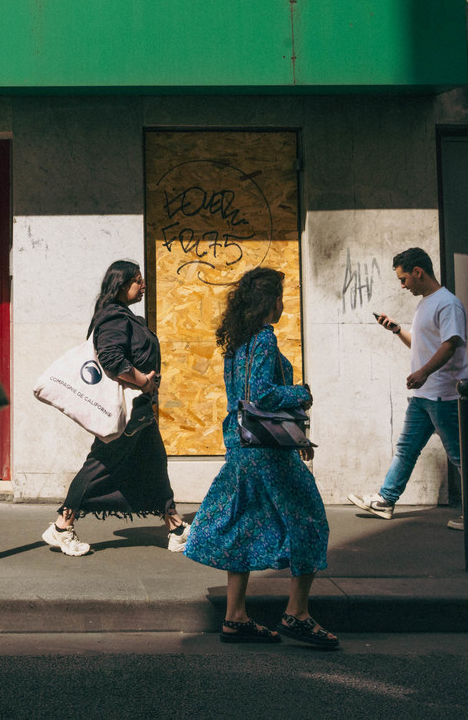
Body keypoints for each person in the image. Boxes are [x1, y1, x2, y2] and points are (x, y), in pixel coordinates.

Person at [185, 267, 338, 649]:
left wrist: (294, 435)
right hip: (268, 456)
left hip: (243, 449)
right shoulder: (265, 339)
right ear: (271, 302)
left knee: (243, 526)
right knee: (310, 520)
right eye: (281, 296)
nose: (283, 304)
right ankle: (297, 614)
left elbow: (243, 403)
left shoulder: (237, 343)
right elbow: (264, 396)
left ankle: (235, 618)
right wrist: (301, 393)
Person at [41, 261, 189, 557]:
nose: (143, 285)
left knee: (155, 464)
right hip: (130, 410)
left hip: (141, 410)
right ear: (121, 286)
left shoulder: (124, 316)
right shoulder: (114, 318)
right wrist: (143, 381)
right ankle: (61, 526)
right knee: (100, 464)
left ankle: (176, 528)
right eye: (137, 281)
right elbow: (111, 358)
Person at [347, 247, 468, 531]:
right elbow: (422, 344)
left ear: (418, 272)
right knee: (406, 449)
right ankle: (385, 501)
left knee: (461, 456)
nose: (402, 285)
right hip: (424, 396)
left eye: (404, 279)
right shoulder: (426, 303)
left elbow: (451, 344)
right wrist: (395, 329)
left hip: (445, 395)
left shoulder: (447, 303)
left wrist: (424, 372)